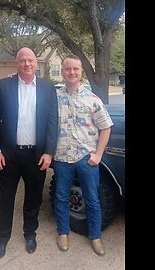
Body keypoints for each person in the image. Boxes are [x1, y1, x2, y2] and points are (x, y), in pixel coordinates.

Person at [0, 47, 58, 259]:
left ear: (36, 63)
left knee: (34, 198)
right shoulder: (3, 86)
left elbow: (53, 122)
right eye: (22, 61)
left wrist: (49, 152)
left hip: (36, 156)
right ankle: (2, 238)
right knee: (5, 198)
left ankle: (30, 234)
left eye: (30, 60)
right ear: (16, 63)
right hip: (8, 155)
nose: (27, 64)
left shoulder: (48, 88)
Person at [52, 55, 113, 256]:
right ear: (62, 71)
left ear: (81, 72)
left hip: (86, 160)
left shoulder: (92, 99)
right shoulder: (54, 98)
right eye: (68, 69)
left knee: (93, 199)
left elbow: (106, 128)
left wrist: (98, 155)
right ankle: (63, 232)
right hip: (61, 158)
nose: (72, 72)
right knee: (61, 197)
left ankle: (95, 236)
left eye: (76, 69)